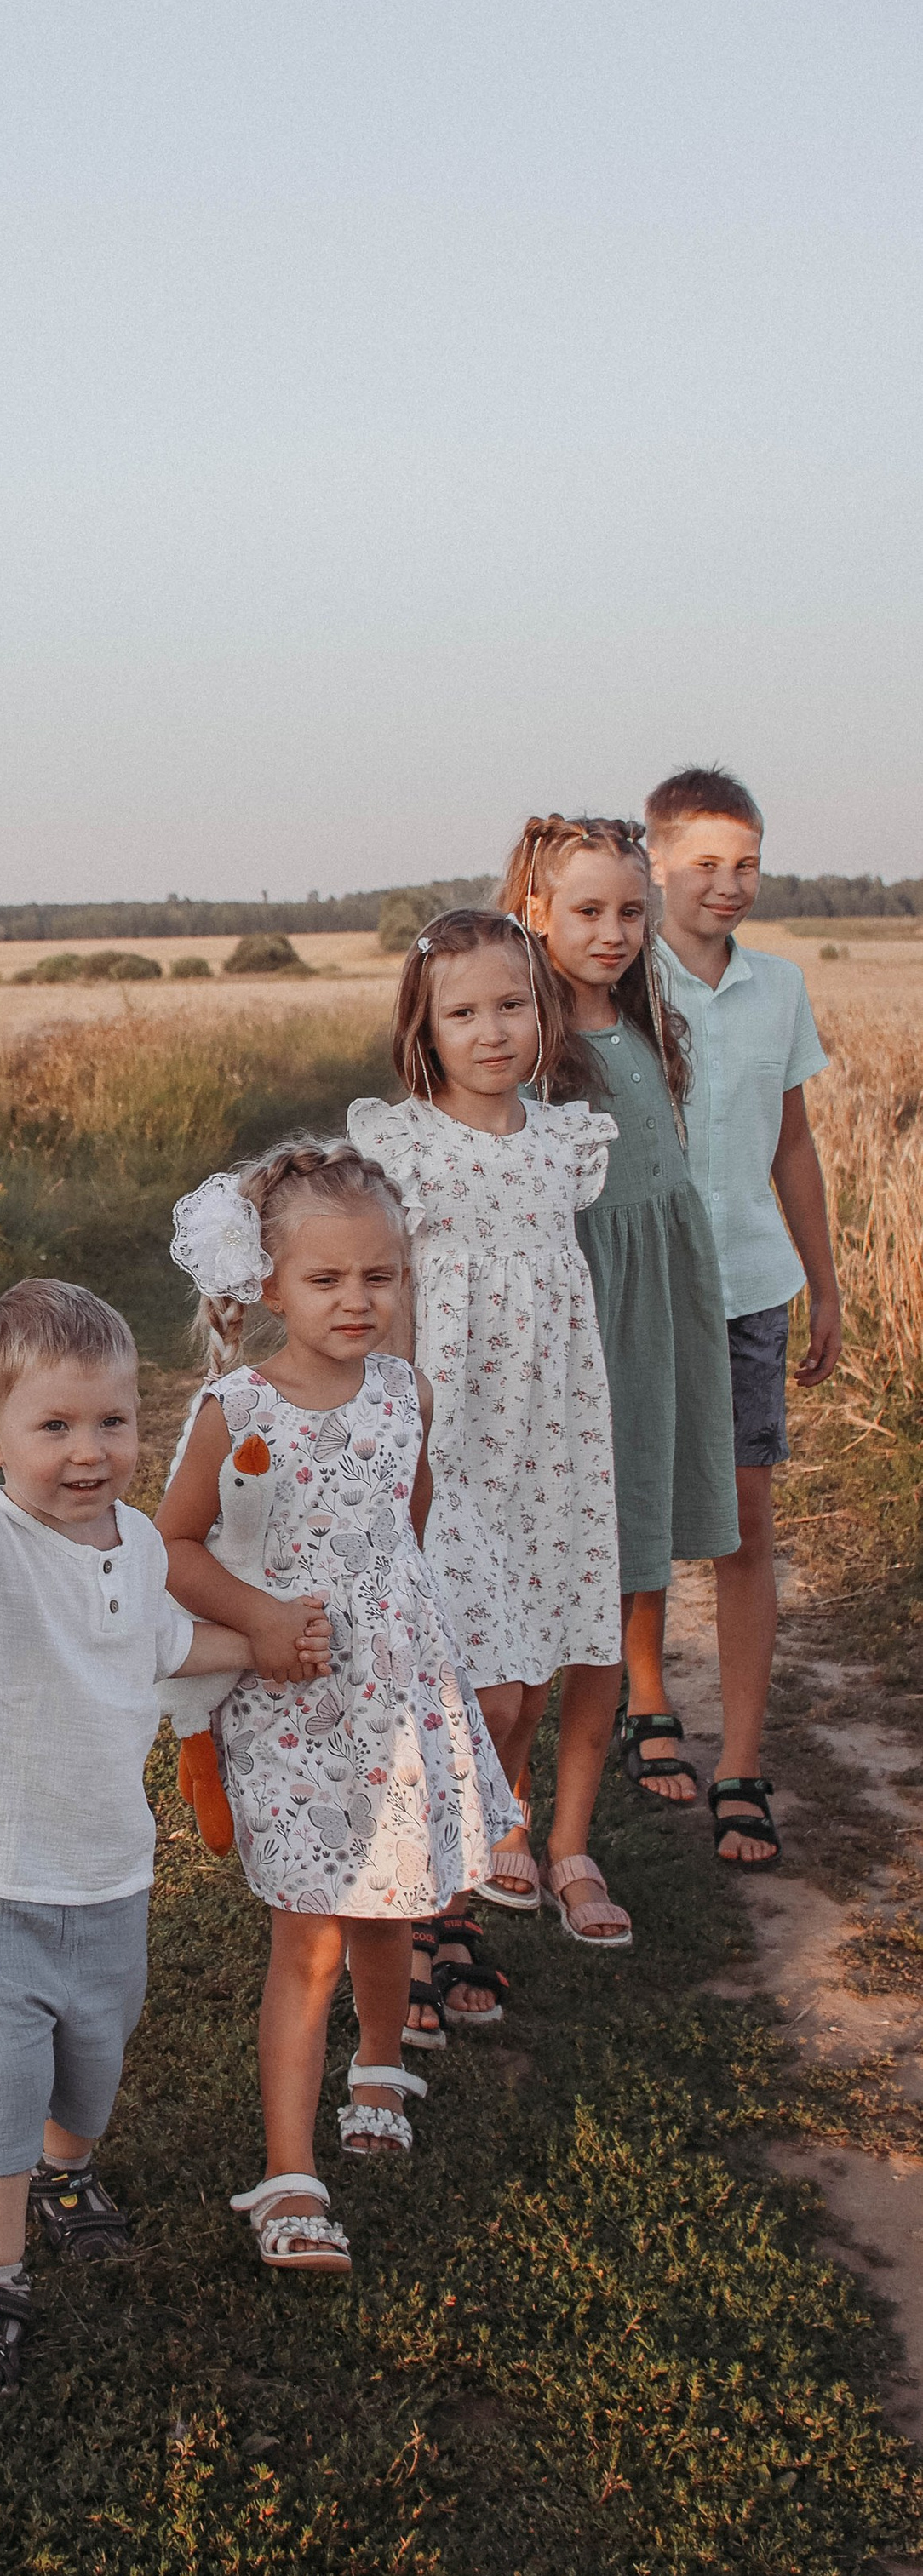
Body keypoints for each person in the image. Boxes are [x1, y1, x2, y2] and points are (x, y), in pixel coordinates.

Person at [0, 1279, 327, 2395]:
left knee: (92, 2065)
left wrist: (264, 1645)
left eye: (113, 1423)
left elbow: (166, 1642)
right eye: (55, 1427)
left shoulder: (135, 1543)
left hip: (106, 1877)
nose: (89, 1453)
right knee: (2, 2075)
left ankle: (66, 2172)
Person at [157, 1144, 514, 2276]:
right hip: (295, 1703)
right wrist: (259, 1616)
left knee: (390, 1897)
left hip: (392, 1699)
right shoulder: (238, 1408)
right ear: (270, 1286)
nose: (358, 1301)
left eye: (380, 1277)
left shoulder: (407, 1393)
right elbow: (168, 1546)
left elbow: (405, 1522)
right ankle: (290, 2169)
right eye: (328, 1281)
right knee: (307, 1930)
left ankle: (378, 2058)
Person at [348, 909, 625, 2030]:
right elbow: (370, 1283)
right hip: (444, 1442)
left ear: (544, 1014)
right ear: (425, 1028)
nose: (493, 1030)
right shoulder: (403, 1145)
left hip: (552, 1442)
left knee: (526, 1671)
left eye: (512, 1005)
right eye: (463, 1012)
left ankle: (456, 1893)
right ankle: (407, 1909)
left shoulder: (566, 1143)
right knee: (454, 1666)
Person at [496, 816, 739, 1933]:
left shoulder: (649, 1023)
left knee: (626, 1552)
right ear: (535, 911)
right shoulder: (525, 1042)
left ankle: (572, 1839)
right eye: (587, 910)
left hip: (654, 1316)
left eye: (631, 912)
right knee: (545, 1576)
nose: (612, 932)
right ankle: (505, 1813)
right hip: (571, 1315)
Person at [635, 765, 841, 1866]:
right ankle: (647, 1698)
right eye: (706, 863)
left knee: (746, 1517)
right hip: (640, 1289)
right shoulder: (618, 990)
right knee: (641, 1514)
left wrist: (827, 1278)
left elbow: (793, 1144)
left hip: (751, 1286)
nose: (730, 883)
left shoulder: (780, 989)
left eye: (747, 862)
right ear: (656, 862)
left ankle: (744, 1760)